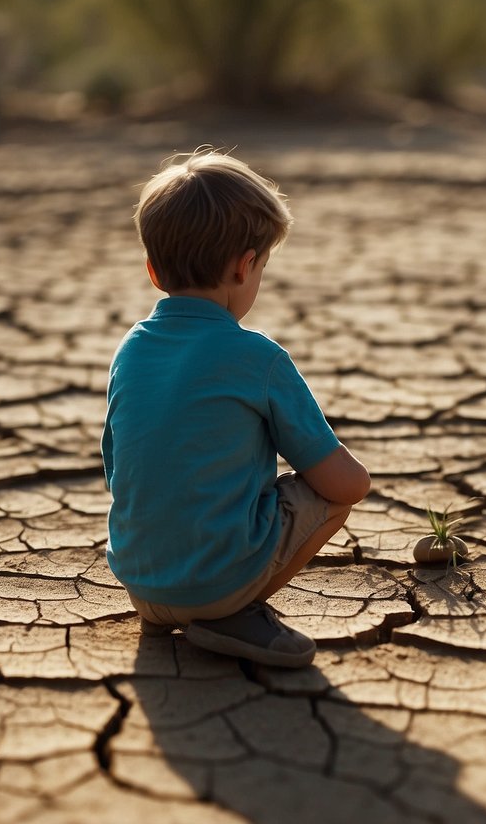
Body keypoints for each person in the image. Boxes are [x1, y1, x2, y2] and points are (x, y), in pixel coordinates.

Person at [101, 149, 370, 668]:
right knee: (333, 492)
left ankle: (169, 608)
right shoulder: (258, 358)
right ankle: (232, 614)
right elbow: (342, 484)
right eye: (262, 267)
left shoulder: (130, 349)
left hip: (139, 582)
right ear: (245, 266)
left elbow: (117, 465)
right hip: (214, 586)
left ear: (154, 271)